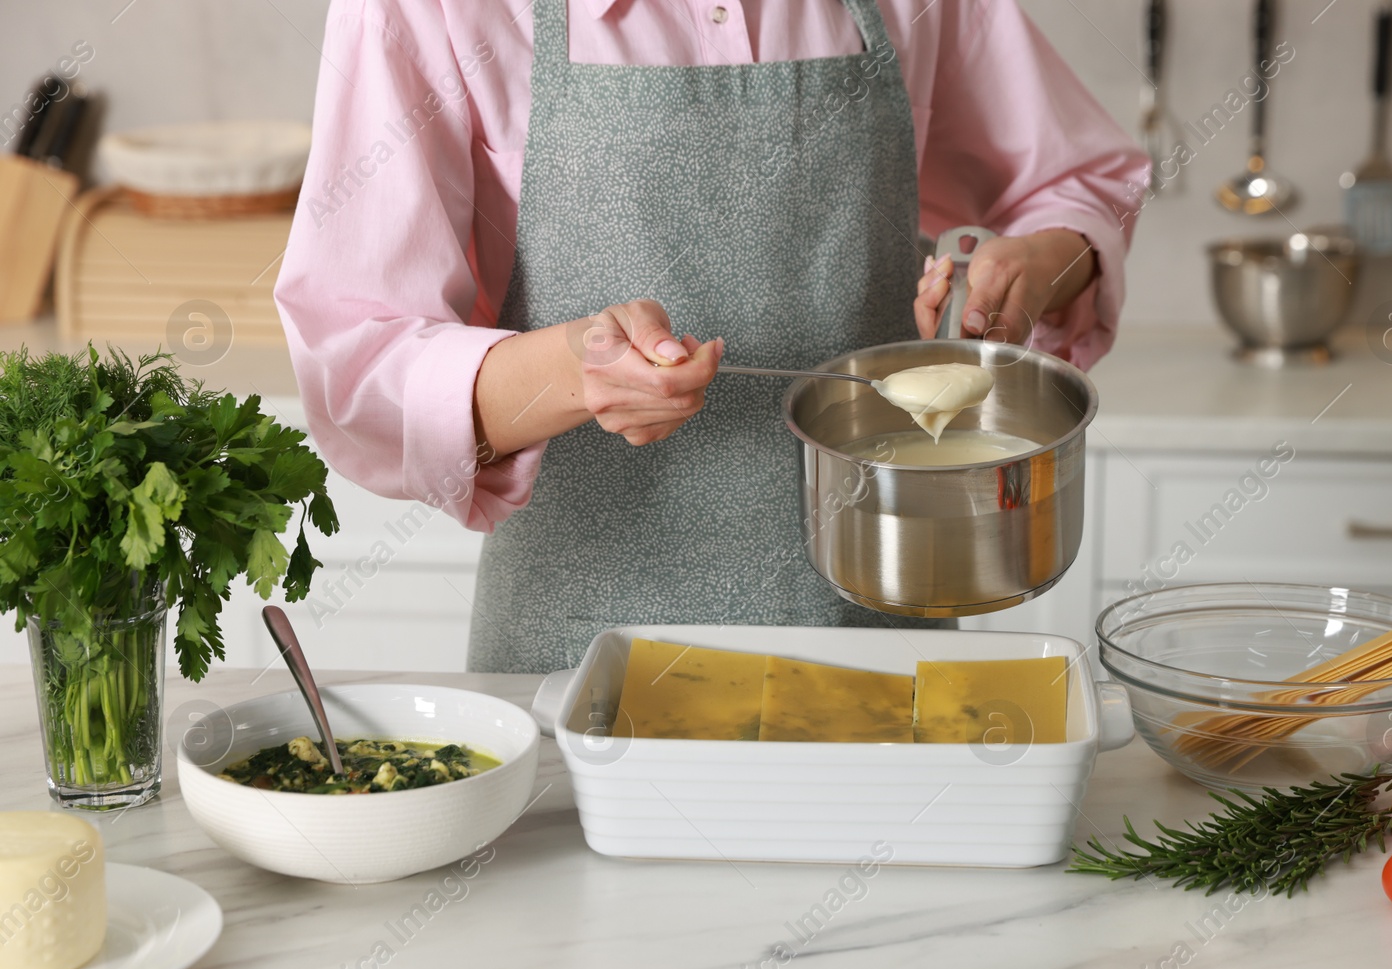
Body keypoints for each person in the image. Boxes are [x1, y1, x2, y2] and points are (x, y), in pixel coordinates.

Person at [275, 0, 1149, 673]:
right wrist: (573, 371)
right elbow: (356, 361)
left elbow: (1079, 182)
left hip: (884, 638)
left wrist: (1037, 265)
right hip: (577, 659)